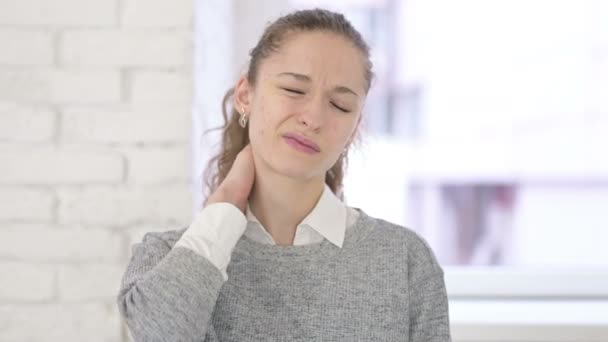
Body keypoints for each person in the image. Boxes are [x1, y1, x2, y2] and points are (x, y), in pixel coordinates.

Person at [117, 8, 451, 342]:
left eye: (340, 106)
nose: (313, 117)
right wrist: (226, 203)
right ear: (245, 96)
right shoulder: (165, 258)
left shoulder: (404, 260)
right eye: (293, 90)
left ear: (353, 130)